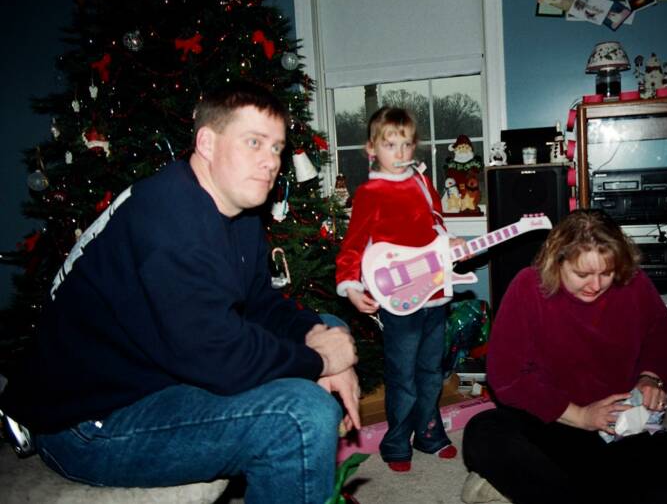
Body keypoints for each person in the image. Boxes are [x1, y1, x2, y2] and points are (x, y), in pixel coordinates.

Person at [0, 82, 360, 504]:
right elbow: (219, 357)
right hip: (88, 422)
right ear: (206, 142)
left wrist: (316, 336)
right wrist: (320, 359)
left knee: (328, 326)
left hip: (156, 376)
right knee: (301, 415)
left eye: (277, 148)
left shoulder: (237, 209)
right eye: (254, 142)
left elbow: (260, 303)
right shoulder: (170, 221)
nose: (270, 162)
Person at [461, 209, 667, 504]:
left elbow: (662, 331)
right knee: (482, 433)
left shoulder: (634, 282)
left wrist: (650, 377)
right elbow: (505, 376)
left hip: (616, 423)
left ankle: (530, 488)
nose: (596, 285)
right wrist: (580, 415)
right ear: (557, 261)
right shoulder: (527, 286)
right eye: (582, 274)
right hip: (553, 418)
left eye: (606, 272)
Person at [335, 107, 460, 472]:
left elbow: (436, 225)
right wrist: (351, 286)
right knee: (402, 375)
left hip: (436, 292)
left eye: (407, 144)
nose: (401, 153)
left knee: (431, 371)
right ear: (371, 149)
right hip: (398, 300)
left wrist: (450, 242)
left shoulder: (422, 182)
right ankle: (396, 442)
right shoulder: (370, 193)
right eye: (391, 145)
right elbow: (353, 246)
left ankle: (429, 433)